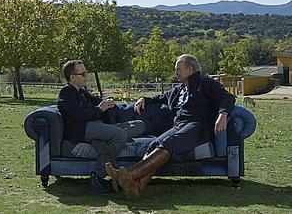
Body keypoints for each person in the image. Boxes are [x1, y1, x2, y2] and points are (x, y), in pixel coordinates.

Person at [105, 54, 235, 200]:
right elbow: (160, 97)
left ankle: (129, 175)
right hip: (179, 125)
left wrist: (223, 114)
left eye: (178, 69)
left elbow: (228, 98)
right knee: (154, 144)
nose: (176, 73)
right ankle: (137, 186)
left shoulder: (206, 84)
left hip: (197, 126)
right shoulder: (179, 89)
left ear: (190, 69)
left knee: (169, 143)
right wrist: (144, 99)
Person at [57, 60, 145, 193]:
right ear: (72, 77)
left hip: (96, 126)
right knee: (120, 134)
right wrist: (99, 109)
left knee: (140, 125)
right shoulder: (66, 92)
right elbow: (78, 115)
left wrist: (107, 101)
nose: (86, 76)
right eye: (83, 74)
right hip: (83, 129)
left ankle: (104, 142)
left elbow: (96, 101)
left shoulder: (81, 91)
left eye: (86, 73)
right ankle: (97, 175)